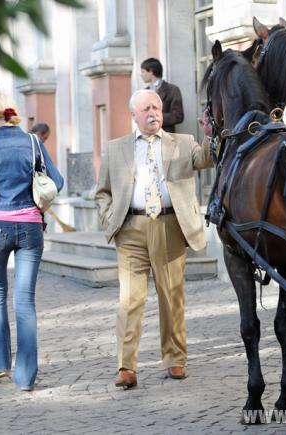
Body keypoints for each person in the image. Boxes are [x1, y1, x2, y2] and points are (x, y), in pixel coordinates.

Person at [95, 89, 212, 389]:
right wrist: (109, 219)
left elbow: (207, 159)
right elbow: (102, 192)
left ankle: (175, 359)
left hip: (170, 225)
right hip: (130, 228)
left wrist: (210, 135)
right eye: (146, 109)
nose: (153, 114)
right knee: (130, 300)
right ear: (133, 114)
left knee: (171, 296)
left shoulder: (183, 143)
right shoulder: (116, 148)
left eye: (157, 108)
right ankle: (126, 366)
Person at [0, 93, 64, 391]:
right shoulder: (34, 142)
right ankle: (25, 378)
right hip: (30, 228)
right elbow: (57, 181)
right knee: (25, 302)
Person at [141, 58, 184, 133]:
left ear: (151, 71)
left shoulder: (172, 90)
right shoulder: (143, 92)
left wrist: (155, 118)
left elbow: (178, 116)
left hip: (166, 137)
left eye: (143, 71)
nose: (141, 75)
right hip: (147, 137)